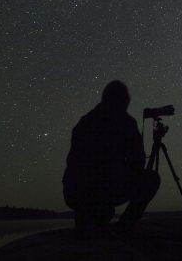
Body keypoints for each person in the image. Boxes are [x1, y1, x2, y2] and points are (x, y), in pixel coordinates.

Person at [62, 80, 160, 236]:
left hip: (74, 191)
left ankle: (88, 217)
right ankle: (124, 226)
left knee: (100, 210)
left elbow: (74, 162)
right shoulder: (126, 122)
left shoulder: (84, 122)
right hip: (100, 188)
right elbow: (138, 162)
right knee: (150, 179)